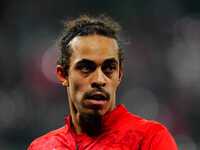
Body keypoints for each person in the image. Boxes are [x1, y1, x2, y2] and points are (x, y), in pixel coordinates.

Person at [28, 15, 178, 150]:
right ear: (63, 75)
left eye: (109, 69)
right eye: (86, 68)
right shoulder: (42, 147)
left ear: (119, 75)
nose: (99, 80)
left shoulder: (149, 139)